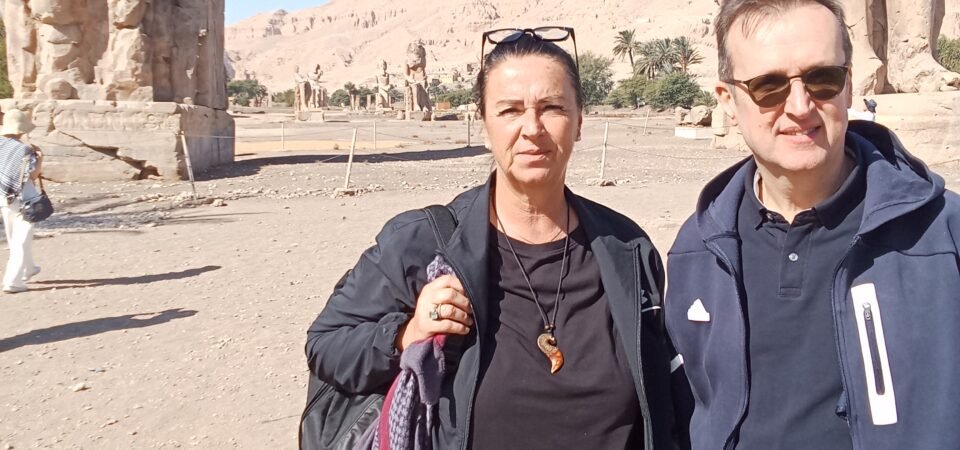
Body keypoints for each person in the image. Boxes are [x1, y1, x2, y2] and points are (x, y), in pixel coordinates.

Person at [307, 28, 689, 450]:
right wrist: (406, 333)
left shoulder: (626, 248)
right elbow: (326, 345)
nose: (532, 128)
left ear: (579, 122)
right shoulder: (423, 243)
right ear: (486, 124)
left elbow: (663, 396)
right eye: (510, 110)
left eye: (552, 108)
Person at [664, 1, 960, 449]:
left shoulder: (942, 235)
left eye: (823, 78)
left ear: (849, 85)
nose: (800, 107)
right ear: (727, 100)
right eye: (769, 86)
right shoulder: (700, 247)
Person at [0, 109, 43, 293]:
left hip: (4, 197)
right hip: (24, 199)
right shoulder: (24, 149)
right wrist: (40, 159)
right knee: (21, 240)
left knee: (14, 238)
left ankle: (28, 269)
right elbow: (32, 175)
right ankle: (13, 281)